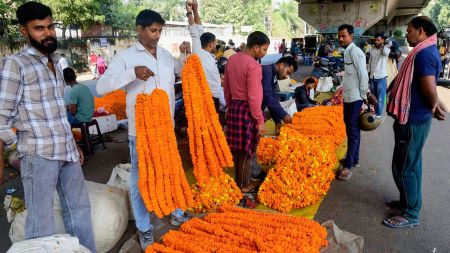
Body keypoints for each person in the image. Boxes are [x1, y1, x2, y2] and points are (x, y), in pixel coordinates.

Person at [0, 2, 95, 252]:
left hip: (66, 152)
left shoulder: (57, 61)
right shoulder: (16, 64)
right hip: (38, 154)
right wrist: (8, 156)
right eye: (39, 28)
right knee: (41, 222)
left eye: (50, 26)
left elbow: (57, 112)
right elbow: (2, 116)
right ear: (24, 31)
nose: (48, 33)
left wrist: (73, 144)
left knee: (80, 210)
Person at [96, 9, 192, 250]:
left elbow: (179, 74)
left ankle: (176, 211)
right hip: (142, 132)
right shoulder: (126, 57)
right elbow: (101, 86)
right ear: (139, 29)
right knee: (142, 180)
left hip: (166, 128)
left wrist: (182, 56)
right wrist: (132, 73)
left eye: (160, 30)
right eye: (153, 30)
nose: (157, 35)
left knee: (171, 173)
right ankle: (144, 227)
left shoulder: (164, 55)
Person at [383, 16, 446, 229]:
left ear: (420, 31)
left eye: (409, 31)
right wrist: (434, 106)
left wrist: (433, 106)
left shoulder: (423, 54)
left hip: (413, 119)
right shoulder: (425, 51)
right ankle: (407, 202)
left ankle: (411, 213)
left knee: (404, 167)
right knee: (412, 164)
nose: (406, 35)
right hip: (415, 117)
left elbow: (429, 89)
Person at [224, 31, 269, 194]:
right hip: (248, 110)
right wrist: (259, 120)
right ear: (255, 47)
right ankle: (243, 185)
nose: (264, 53)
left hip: (235, 108)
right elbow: (254, 96)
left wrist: (230, 106)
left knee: (238, 149)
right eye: (264, 49)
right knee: (247, 151)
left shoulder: (232, 60)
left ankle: (241, 180)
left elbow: (227, 88)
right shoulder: (253, 65)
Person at [336, 24, 377, 181]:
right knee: (353, 129)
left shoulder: (356, 52)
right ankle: (354, 159)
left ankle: (348, 166)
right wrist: (342, 87)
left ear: (351, 36)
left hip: (355, 98)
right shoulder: (347, 52)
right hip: (348, 96)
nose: (341, 39)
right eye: (339, 36)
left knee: (352, 130)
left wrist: (365, 94)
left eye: (343, 36)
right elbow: (350, 75)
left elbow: (363, 74)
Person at [186, 0, 225, 112]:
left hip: (214, 95)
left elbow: (199, 28)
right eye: (215, 43)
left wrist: (195, 10)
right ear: (210, 44)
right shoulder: (199, 52)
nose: (216, 45)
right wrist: (189, 12)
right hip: (207, 96)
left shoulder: (208, 55)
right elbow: (194, 30)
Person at [261, 56, 297, 126]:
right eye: (288, 72)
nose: (286, 77)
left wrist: (277, 121)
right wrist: (283, 114)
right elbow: (267, 96)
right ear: (281, 65)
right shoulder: (266, 71)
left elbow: (274, 97)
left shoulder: (273, 74)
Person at [368, 33, 391, 117]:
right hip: (372, 76)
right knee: (373, 97)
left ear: (382, 40)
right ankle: (373, 112)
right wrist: (369, 72)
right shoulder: (372, 49)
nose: (376, 42)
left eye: (378, 40)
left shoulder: (386, 49)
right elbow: (370, 61)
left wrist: (385, 45)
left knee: (380, 98)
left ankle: (378, 115)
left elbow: (385, 53)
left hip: (381, 77)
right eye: (375, 40)